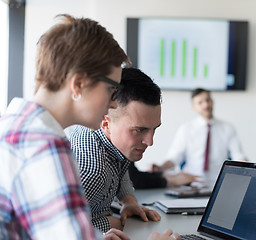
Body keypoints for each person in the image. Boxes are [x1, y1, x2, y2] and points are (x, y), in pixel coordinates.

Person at [0, 14, 179, 240]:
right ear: (78, 84)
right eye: (111, 89)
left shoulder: (16, 125)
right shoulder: (46, 149)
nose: (114, 103)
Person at [68, 68, 184, 234]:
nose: (150, 142)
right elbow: (67, 230)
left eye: (154, 129)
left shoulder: (117, 143)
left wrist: (129, 201)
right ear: (106, 123)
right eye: (139, 130)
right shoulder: (93, 171)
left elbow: (121, 169)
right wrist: (116, 224)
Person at [153, 88, 247, 180]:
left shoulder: (227, 128)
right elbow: (174, 158)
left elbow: (238, 156)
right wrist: (160, 168)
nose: (206, 104)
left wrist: (250, 169)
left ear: (212, 101)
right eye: (200, 102)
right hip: (191, 181)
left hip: (218, 181)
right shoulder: (186, 129)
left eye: (207, 100)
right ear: (194, 107)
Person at [128, 161, 198, 189]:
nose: (150, 142)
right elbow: (134, 178)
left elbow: (134, 176)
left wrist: (162, 174)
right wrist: (170, 180)